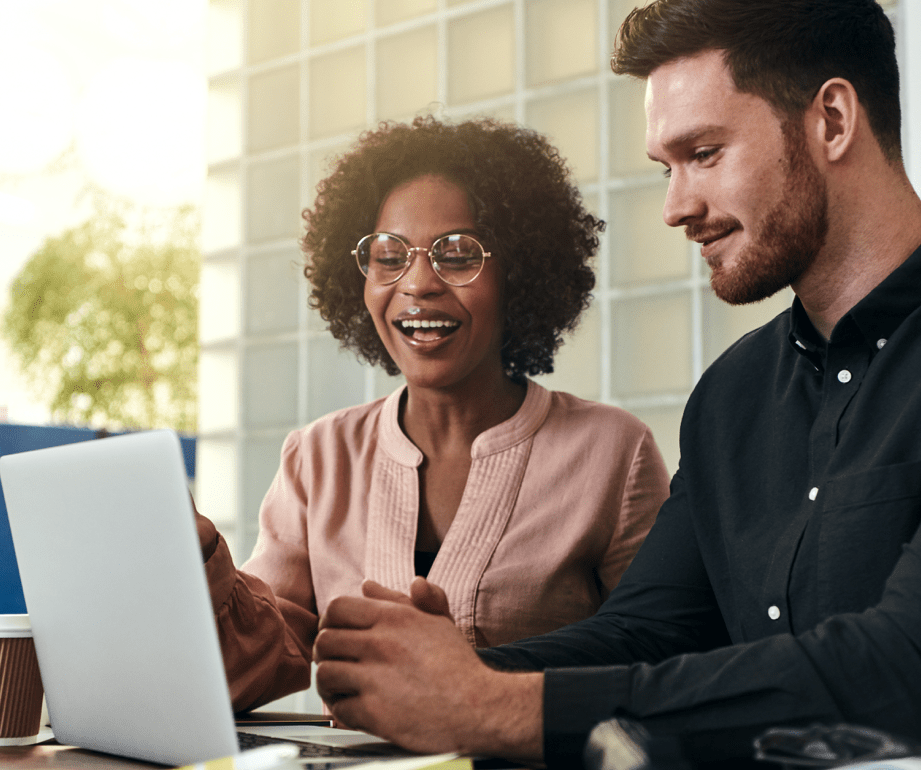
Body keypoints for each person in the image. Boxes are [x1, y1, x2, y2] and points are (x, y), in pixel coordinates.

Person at [310, 0, 921, 766]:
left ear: (832, 119)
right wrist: (436, 673)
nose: (676, 206)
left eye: (704, 153)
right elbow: (650, 632)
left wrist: (490, 705)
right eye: (666, 167)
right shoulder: (733, 395)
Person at [193, 116, 671, 712]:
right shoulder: (318, 457)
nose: (417, 283)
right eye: (389, 255)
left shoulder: (612, 453)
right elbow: (252, 664)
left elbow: (661, 659)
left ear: (516, 272)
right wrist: (199, 555)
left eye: (458, 254)